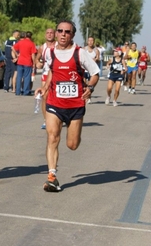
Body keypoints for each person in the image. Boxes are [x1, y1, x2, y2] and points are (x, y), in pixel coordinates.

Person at [34, 19, 100, 192]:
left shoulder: (80, 53)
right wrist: (44, 88)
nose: (63, 34)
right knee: (52, 137)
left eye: (67, 32)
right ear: (56, 33)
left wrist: (91, 87)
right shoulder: (50, 52)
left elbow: (95, 73)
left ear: (72, 35)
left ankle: (73, 136)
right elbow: (51, 73)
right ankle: (52, 176)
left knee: (72, 145)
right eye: (60, 31)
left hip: (75, 105)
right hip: (55, 103)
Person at [35, 28, 56, 129]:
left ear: (55, 34)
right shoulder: (42, 47)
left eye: (51, 33)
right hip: (46, 72)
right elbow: (36, 58)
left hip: (58, 73)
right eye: (47, 33)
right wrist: (38, 63)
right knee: (45, 96)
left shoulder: (59, 46)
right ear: (45, 35)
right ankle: (46, 120)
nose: (49, 35)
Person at [12, 31, 37, 95]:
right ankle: (25, 91)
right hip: (27, 62)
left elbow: (13, 47)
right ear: (31, 37)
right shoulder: (32, 44)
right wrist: (34, 63)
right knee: (27, 77)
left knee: (19, 77)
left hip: (20, 62)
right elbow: (33, 55)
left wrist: (16, 54)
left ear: (25, 36)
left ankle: (17, 91)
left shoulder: (20, 42)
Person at [83, 36, 99, 103]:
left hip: (91, 71)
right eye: (89, 40)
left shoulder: (96, 50)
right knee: (84, 84)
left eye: (92, 41)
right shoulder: (84, 49)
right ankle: (84, 95)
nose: (90, 42)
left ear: (94, 41)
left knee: (90, 84)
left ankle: (89, 96)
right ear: (87, 41)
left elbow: (98, 59)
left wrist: (95, 60)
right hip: (84, 69)